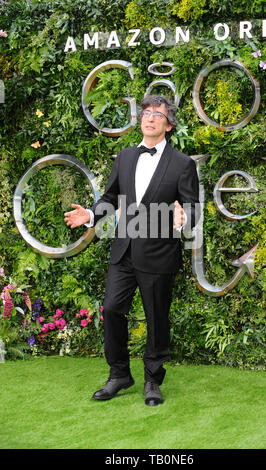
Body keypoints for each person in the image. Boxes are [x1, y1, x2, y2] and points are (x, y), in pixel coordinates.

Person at [64, 95, 199, 406]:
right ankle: (119, 374)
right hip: (124, 250)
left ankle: (153, 379)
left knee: (156, 318)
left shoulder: (182, 164)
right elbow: (110, 197)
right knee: (111, 309)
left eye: (158, 114)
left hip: (159, 252)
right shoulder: (125, 156)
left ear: (169, 124)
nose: (149, 118)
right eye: (146, 113)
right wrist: (91, 214)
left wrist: (184, 218)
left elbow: (192, 207)